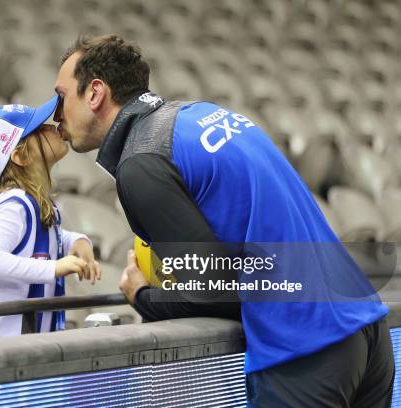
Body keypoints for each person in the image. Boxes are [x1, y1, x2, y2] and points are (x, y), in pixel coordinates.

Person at [52, 34, 394, 407]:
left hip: (306, 349)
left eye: (62, 96)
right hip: (367, 325)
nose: (56, 114)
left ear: (95, 92)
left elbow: (213, 290)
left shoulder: (141, 161)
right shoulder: (201, 114)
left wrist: (143, 295)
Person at [0, 97, 101, 341]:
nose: (52, 126)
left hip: (15, 349)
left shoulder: (32, 202)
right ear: (20, 157)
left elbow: (35, 239)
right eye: (39, 129)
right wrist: (53, 267)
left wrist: (74, 241)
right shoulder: (14, 204)